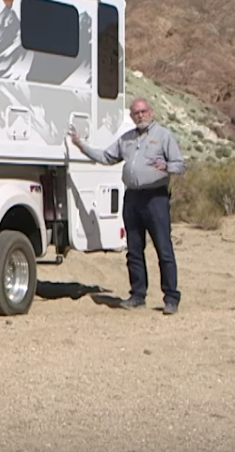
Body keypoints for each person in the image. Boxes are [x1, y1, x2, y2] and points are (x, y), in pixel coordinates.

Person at [67, 98, 185, 315]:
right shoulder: (127, 139)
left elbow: (180, 165)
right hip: (132, 198)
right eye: (135, 113)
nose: (140, 116)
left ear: (152, 112)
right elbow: (105, 157)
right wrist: (80, 145)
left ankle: (171, 298)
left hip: (155, 198)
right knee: (134, 249)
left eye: (143, 111)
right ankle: (137, 295)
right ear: (131, 117)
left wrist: (166, 166)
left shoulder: (163, 136)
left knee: (164, 249)